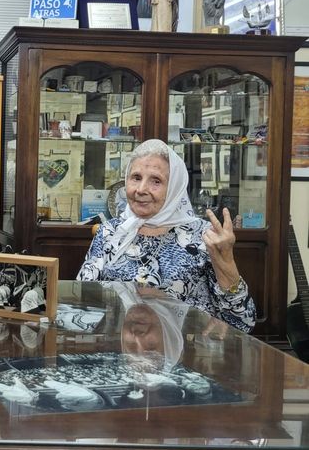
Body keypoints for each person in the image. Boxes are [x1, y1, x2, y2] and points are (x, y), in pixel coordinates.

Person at [77, 139, 255, 333]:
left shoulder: (203, 237)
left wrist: (226, 262)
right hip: (120, 348)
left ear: (174, 188)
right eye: (136, 177)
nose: (141, 189)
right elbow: (83, 302)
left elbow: (242, 322)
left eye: (156, 181)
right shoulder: (110, 232)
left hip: (185, 355)